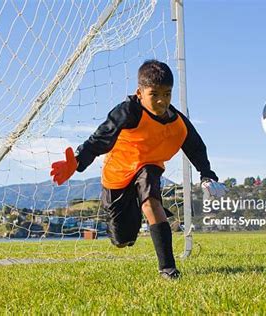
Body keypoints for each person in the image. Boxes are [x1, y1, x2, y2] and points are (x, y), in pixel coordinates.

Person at [50, 59, 226, 280]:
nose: (162, 101)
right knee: (123, 240)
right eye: (154, 94)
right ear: (140, 93)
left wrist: (207, 175)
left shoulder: (177, 123)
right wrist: (76, 162)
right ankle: (133, 214)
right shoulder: (127, 112)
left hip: (148, 169)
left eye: (168, 94)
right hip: (117, 177)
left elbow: (196, 148)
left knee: (152, 201)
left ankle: (168, 269)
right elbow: (99, 140)